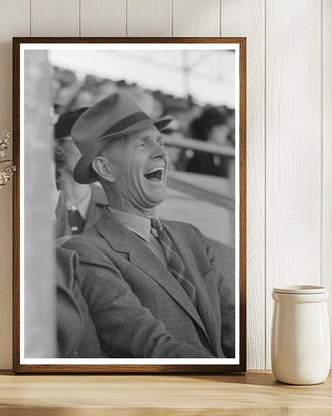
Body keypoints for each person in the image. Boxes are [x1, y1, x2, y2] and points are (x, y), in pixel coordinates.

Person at [63, 92, 235, 358]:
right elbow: (151, 347)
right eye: (142, 144)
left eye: (160, 141)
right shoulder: (87, 252)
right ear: (105, 169)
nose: (161, 152)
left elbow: (234, 327)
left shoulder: (191, 236)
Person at [53, 144, 106, 358]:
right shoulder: (40, 204)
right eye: (78, 143)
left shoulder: (115, 204)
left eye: (94, 144)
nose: (89, 151)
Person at [54, 108, 107, 239]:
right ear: (58, 145)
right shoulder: (37, 202)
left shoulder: (113, 205)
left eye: (98, 143)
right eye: (82, 142)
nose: (91, 151)